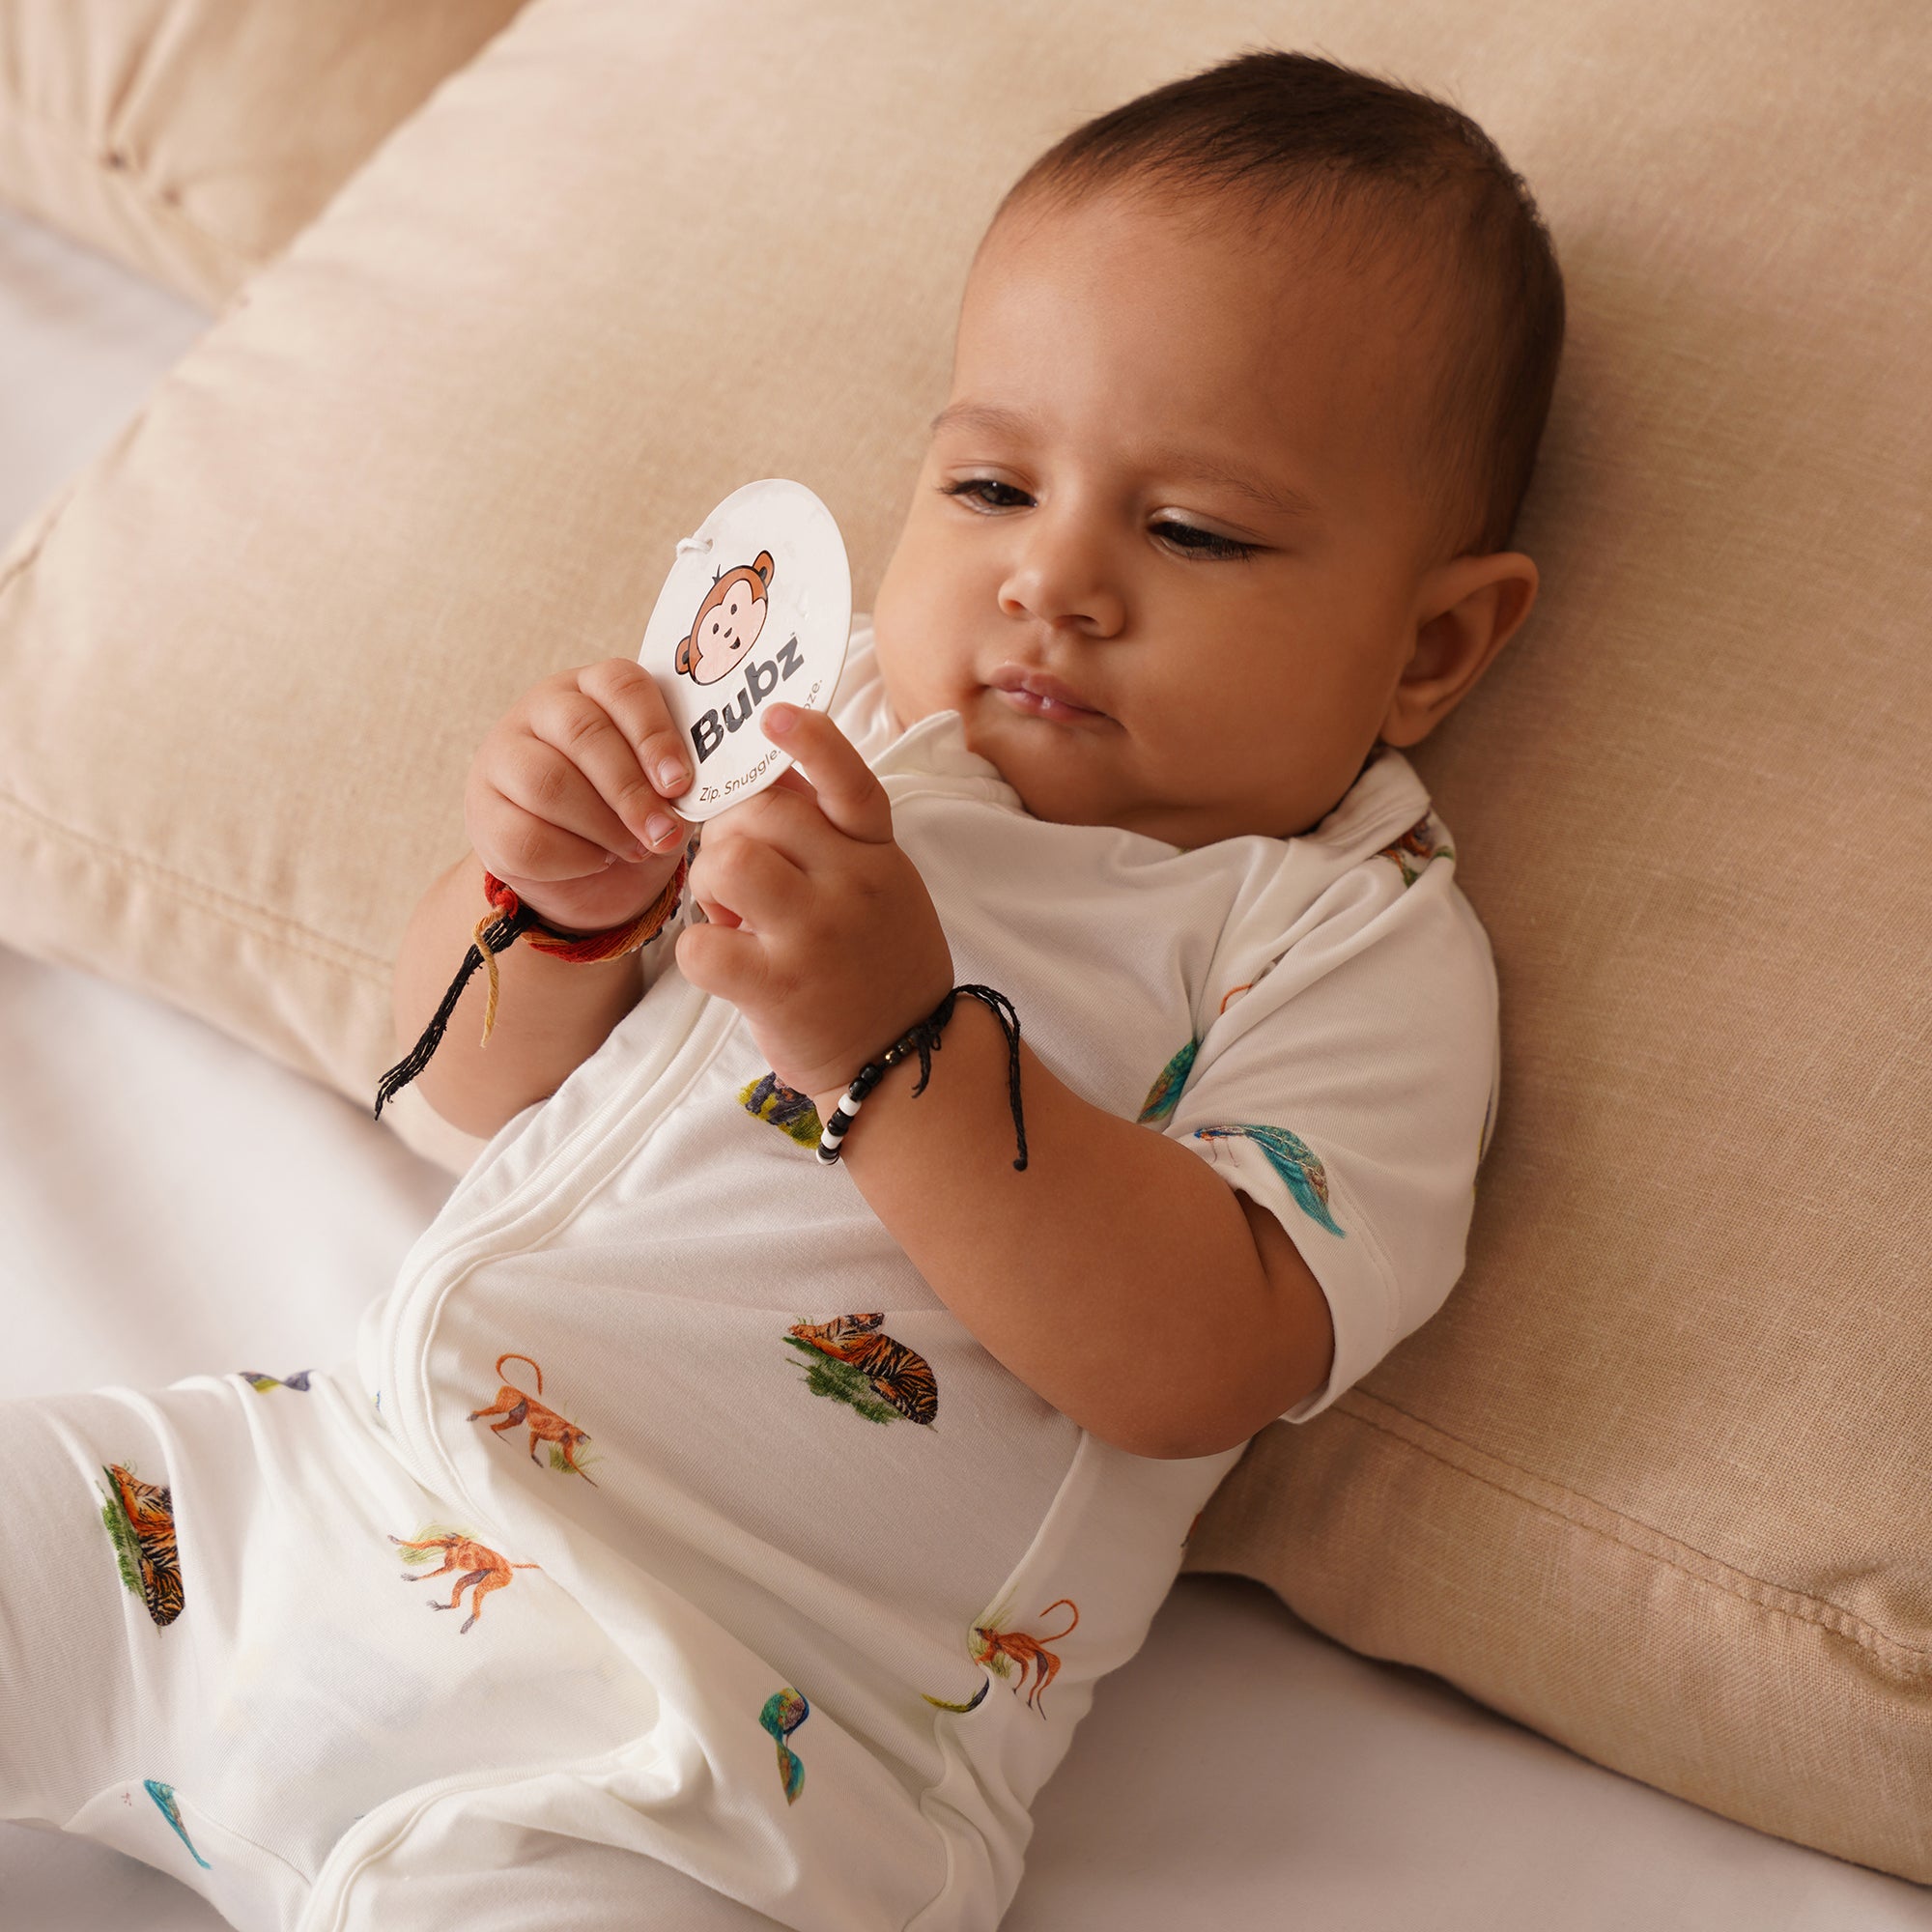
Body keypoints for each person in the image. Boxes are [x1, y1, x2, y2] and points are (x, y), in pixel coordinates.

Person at [0, 48, 1562, 1932]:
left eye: (1193, 531)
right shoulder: (827, 734)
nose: (1052, 578)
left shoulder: (1340, 940)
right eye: (991, 483)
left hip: (717, 1740)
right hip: (316, 1500)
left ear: (1433, 643)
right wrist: (549, 905)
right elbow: (462, 1093)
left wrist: (900, 1053)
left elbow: (1200, 1359)